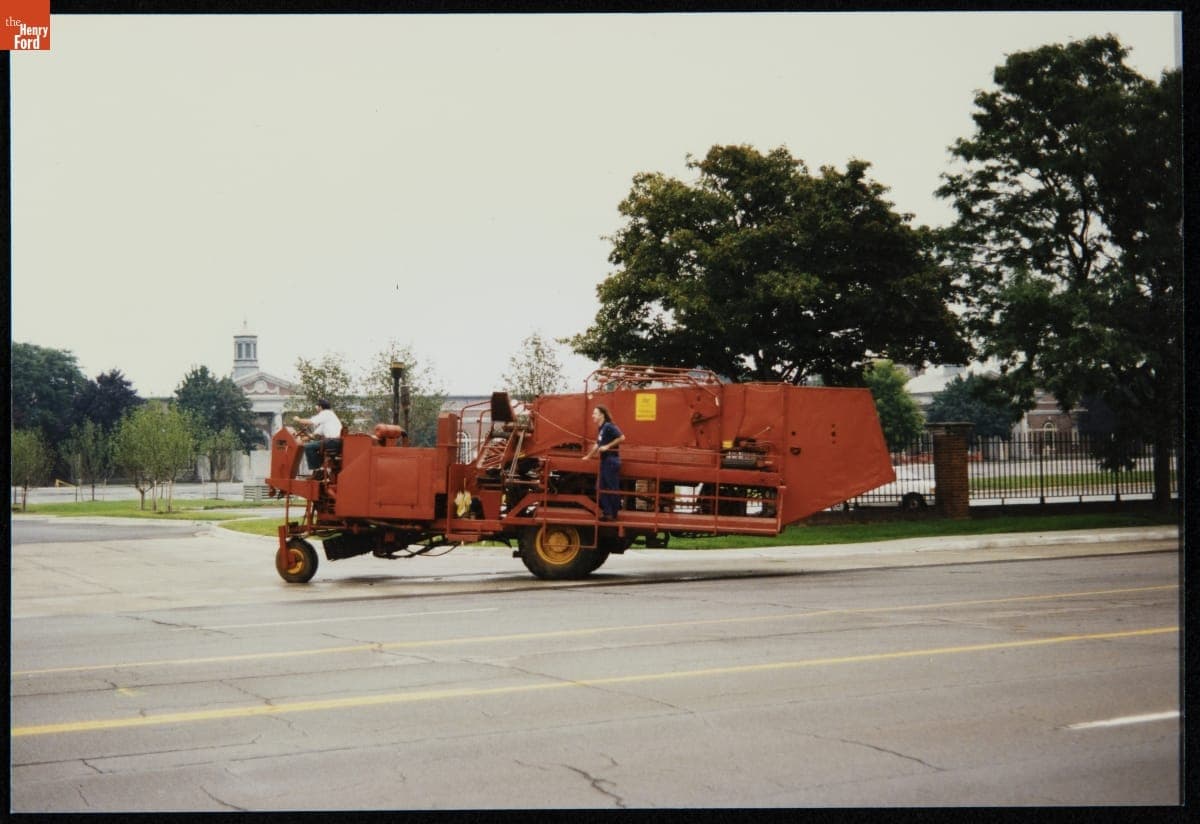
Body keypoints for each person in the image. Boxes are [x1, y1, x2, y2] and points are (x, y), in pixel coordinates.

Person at [584, 404, 625, 520]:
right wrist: (588, 457)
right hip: (605, 461)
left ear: (602, 415)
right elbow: (597, 444)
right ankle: (608, 512)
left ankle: (614, 514)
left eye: (595, 413)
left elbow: (622, 437)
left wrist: (607, 447)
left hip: (611, 460)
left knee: (612, 488)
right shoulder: (601, 428)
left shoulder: (609, 426)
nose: (593, 416)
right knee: (599, 487)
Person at [294, 399, 343, 476]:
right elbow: (314, 435)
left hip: (332, 442)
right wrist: (301, 439)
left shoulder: (326, 413)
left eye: (317, 406)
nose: (316, 408)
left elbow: (310, 421)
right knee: (313, 445)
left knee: (308, 447)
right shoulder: (328, 418)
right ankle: (320, 469)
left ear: (320, 407)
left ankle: (317, 471)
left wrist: (298, 419)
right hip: (333, 442)